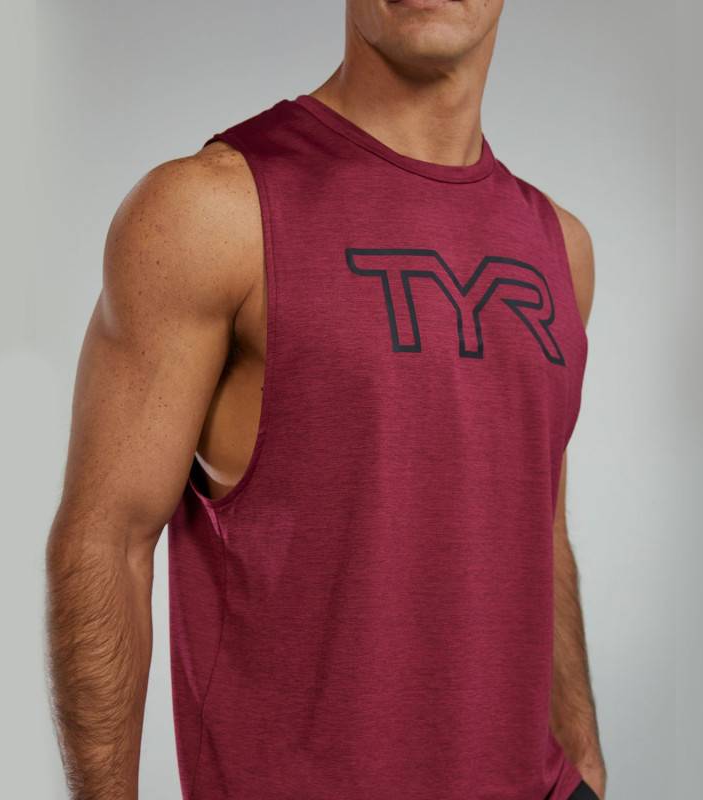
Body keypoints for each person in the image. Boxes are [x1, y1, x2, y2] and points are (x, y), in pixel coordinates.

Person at [46, 1, 604, 798]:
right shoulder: (209, 212)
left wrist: (584, 759)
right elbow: (106, 540)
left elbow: (537, 524)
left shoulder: (559, 248)